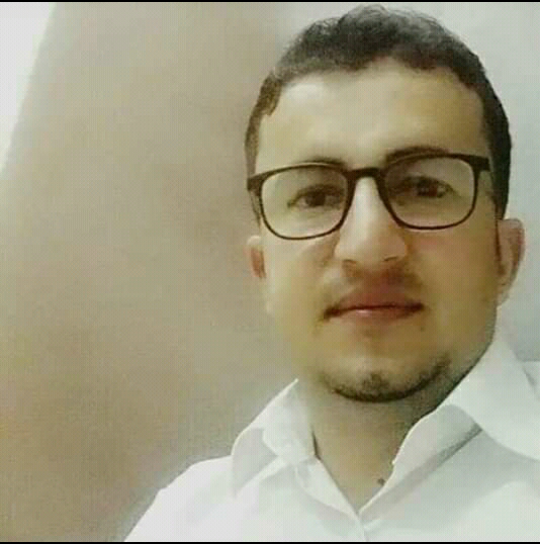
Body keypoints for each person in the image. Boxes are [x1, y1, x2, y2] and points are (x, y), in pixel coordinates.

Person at [126, 4, 540, 541]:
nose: (368, 246)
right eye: (316, 196)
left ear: (503, 256)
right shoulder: (184, 523)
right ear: (263, 270)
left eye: (423, 188)